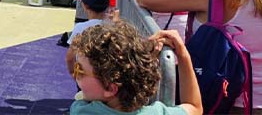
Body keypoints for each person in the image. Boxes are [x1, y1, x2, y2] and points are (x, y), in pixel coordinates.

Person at [69, 21, 202, 114]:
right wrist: (183, 54)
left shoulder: (82, 109)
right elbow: (195, 108)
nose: (75, 75)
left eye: (79, 70)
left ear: (110, 88)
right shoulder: (156, 113)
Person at [65, 0, 110, 76]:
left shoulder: (80, 28)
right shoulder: (112, 26)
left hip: (86, 76)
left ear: (84, 5)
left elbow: (69, 58)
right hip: (106, 76)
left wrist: (75, 75)